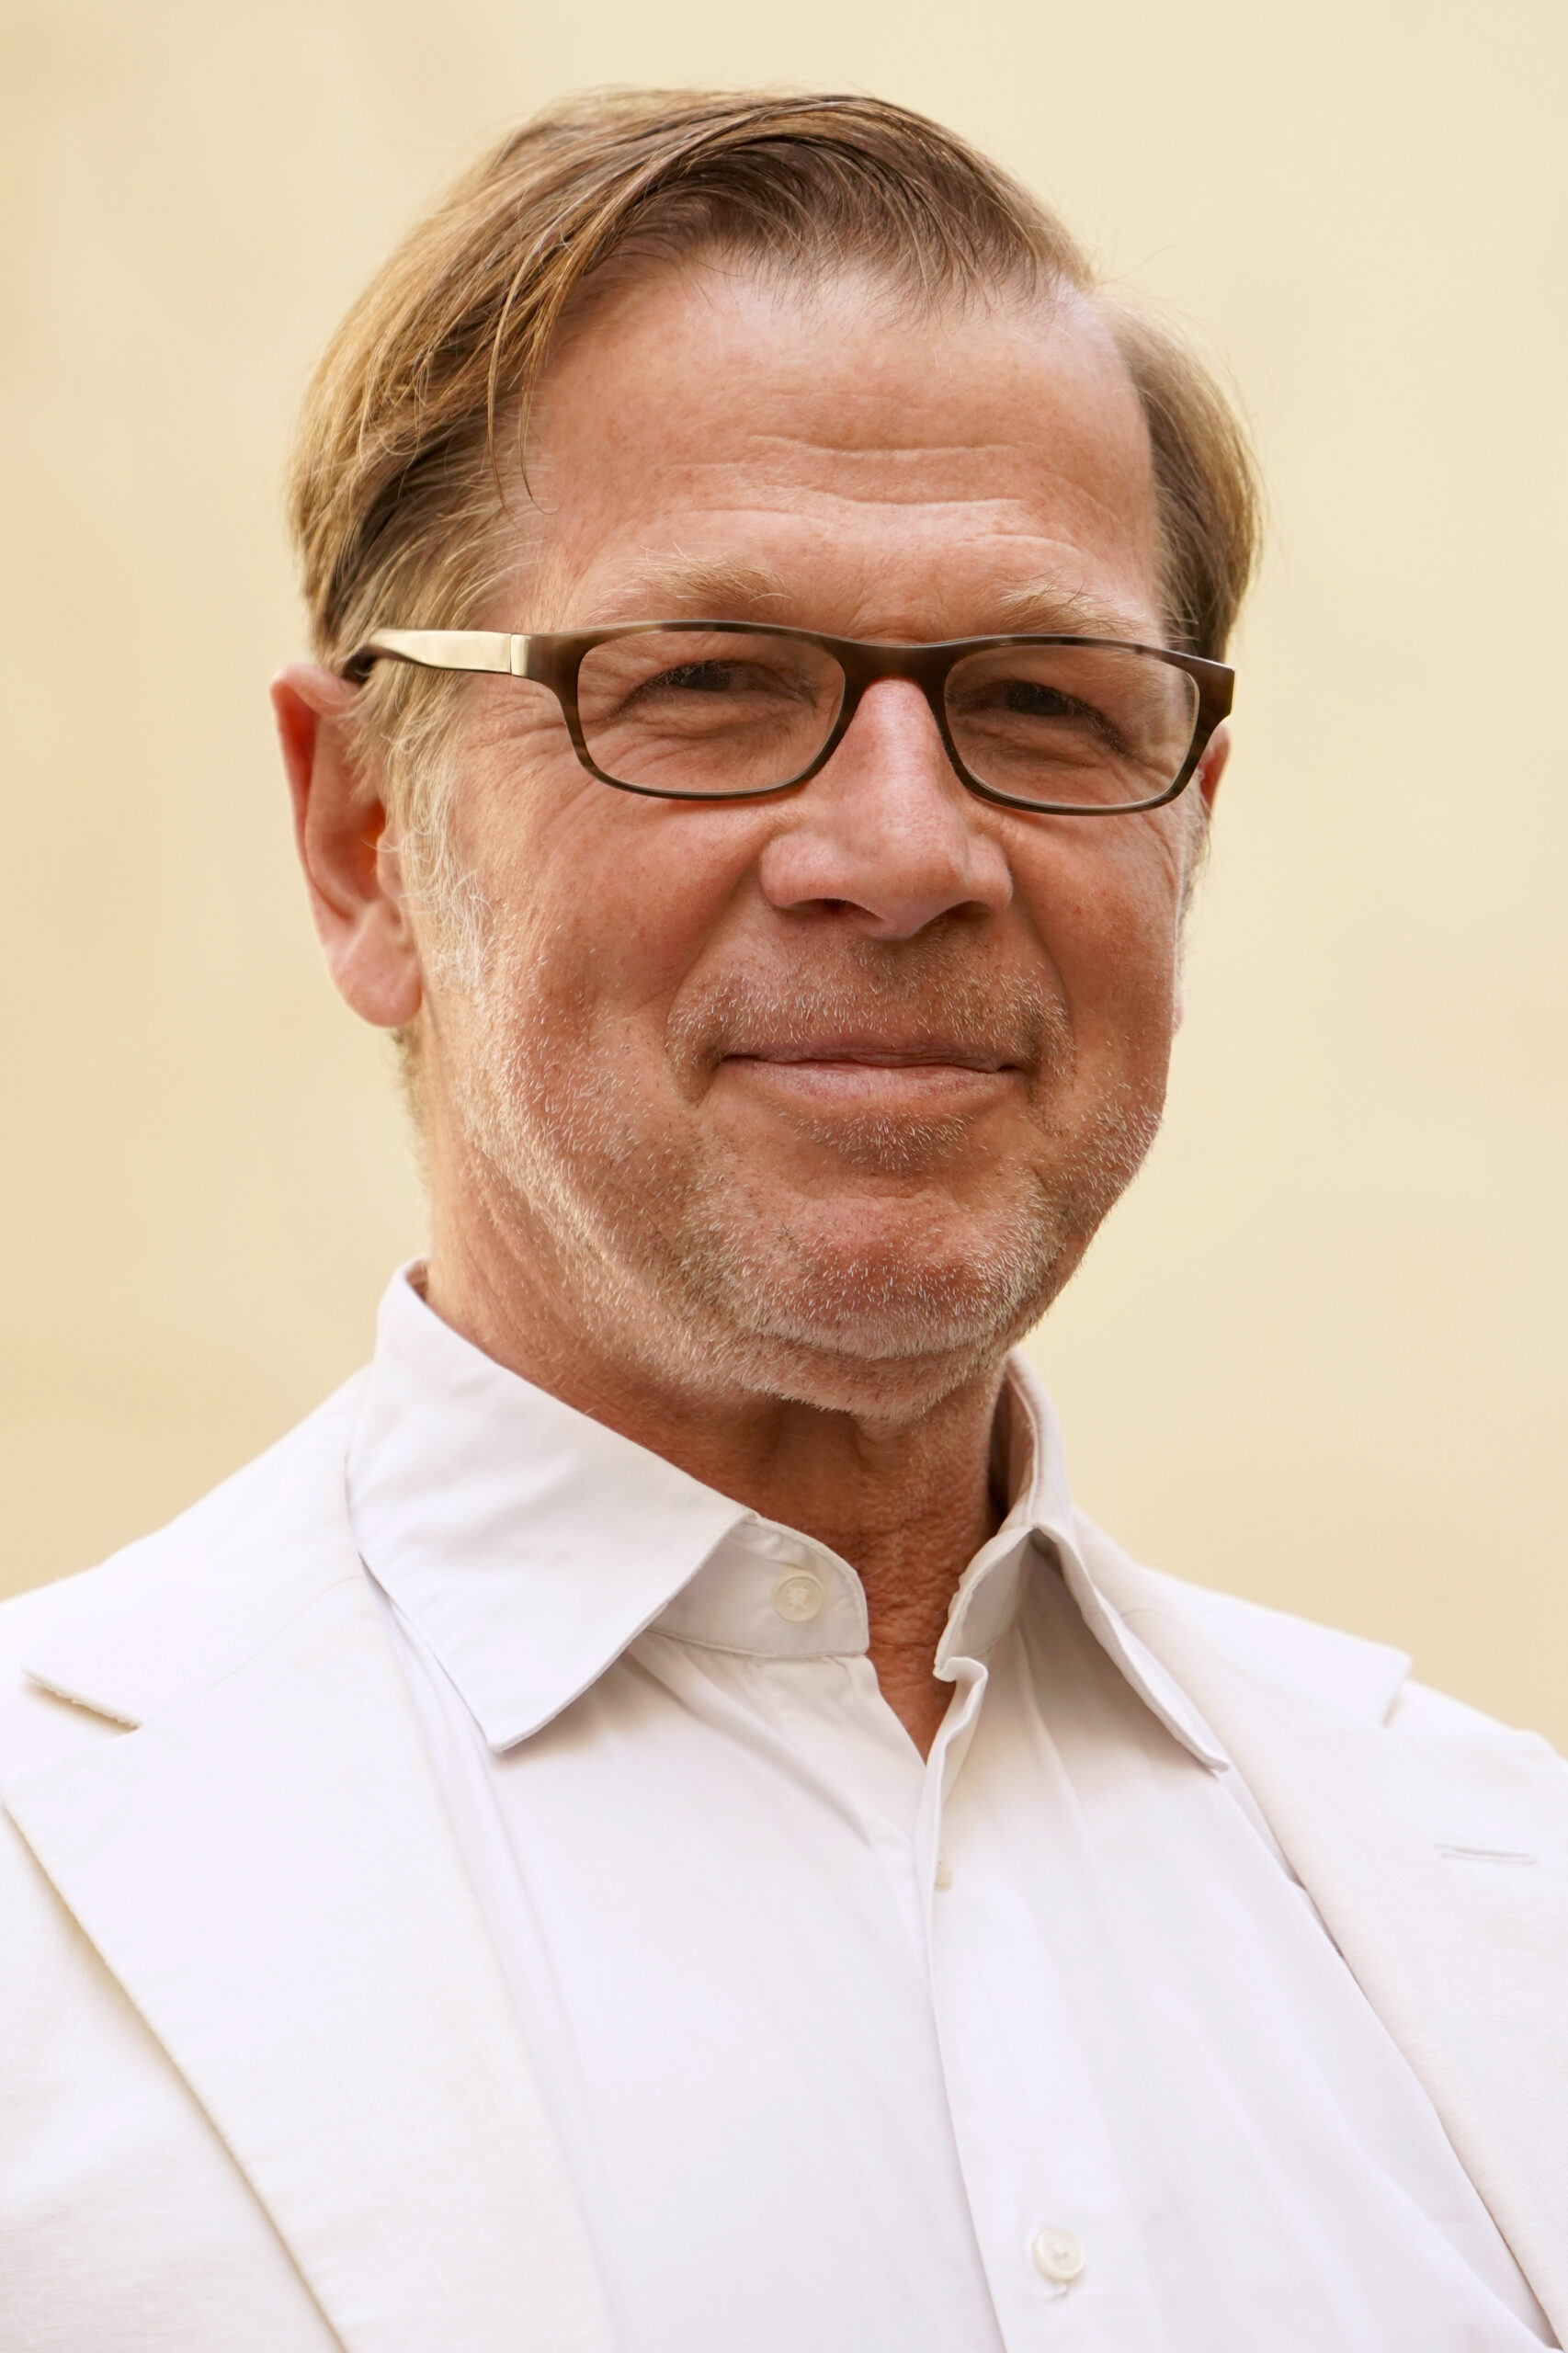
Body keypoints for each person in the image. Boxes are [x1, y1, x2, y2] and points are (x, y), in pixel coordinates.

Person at [1, 88, 1562, 2353]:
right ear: (363, 841)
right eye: (710, 686)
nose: (905, 850)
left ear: (1188, 832)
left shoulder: (1502, 1895)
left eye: (1043, 702)